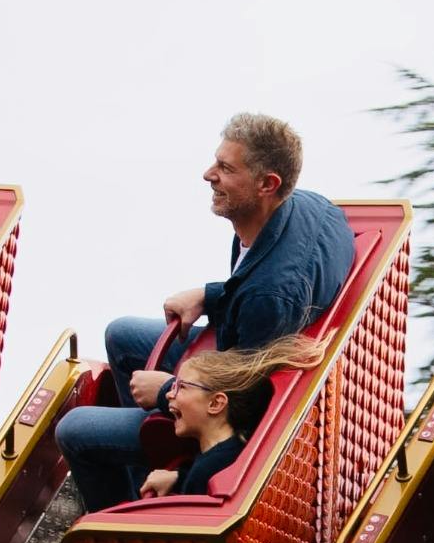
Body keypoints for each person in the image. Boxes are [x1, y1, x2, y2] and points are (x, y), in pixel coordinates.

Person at [56, 114, 354, 512]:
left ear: (268, 184)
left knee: (75, 430)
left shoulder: (270, 299)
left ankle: (127, 526)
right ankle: (153, 461)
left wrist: (167, 391)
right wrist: (209, 295)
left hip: (239, 397)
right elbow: (263, 283)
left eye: (226, 169)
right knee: (122, 333)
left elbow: (241, 406)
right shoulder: (311, 206)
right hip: (247, 346)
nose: (207, 175)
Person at [136, 334, 322, 500]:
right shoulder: (236, 451)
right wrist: (179, 478)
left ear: (216, 403)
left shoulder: (205, 471)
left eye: (181, 387)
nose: (169, 394)